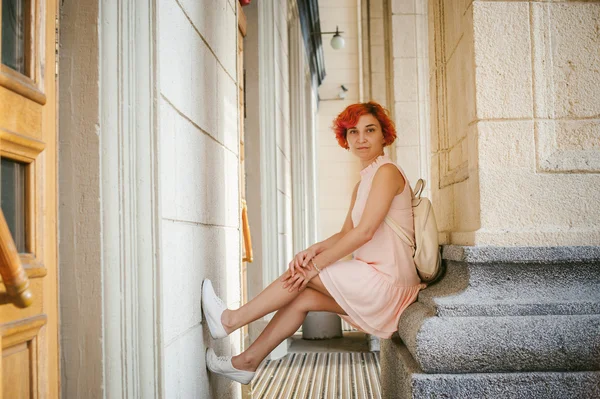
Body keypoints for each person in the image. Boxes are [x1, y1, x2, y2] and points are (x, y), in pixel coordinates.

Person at [202, 101, 426, 384]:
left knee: (301, 275)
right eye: (353, 132)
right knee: (302, 297)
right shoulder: (365, 180)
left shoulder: (387, 172)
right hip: (374, 278)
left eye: (370, 130)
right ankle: (246, 363)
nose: (361, 139)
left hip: (388, 284)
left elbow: (365, 232)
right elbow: (347, 232)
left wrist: (314, 266)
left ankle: (230, 320)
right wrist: (312, 251)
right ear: (345, 139)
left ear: (385, 135)